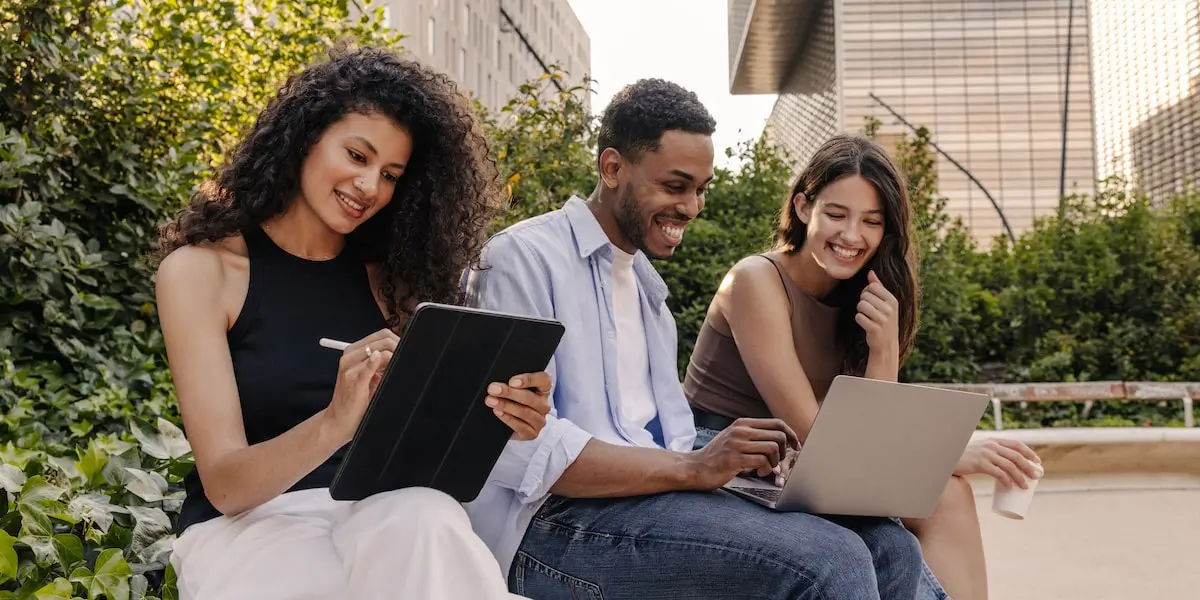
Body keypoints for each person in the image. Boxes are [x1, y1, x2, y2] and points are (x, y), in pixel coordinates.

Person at [462, 79, 942, 599]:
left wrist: (740, 461)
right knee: (831, 562)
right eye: (676, 186)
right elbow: (515, 452)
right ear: (613, 168)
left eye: (701, 189)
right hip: (547, 524)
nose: (692, 207)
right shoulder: (523, 260)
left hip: (646, 497)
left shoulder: (646, 289)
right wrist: (695, 465)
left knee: (891, 548)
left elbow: (663, 437)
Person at [153, 46, 552, 600]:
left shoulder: (397, 285)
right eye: (357, 156)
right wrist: (336, 421)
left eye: (390, 175)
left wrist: (500, 419)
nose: (370, 187)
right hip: (251, 526)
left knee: (426, 515)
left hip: (384, 517)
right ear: (305, 137)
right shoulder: (202, 273)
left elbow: (422, 457)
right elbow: (224, 486)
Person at [683, 133, 1045, 600]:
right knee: (923, 502)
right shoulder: (754, 281)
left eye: (871, 222)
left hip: (799, 465)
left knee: (949, 495)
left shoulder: (860, 296)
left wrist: (883, 348)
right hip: (728, 456)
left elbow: (867, 439)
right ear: (803, 208)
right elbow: (823, 441)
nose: (852, 236)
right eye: (836, 214)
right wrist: (944, 455)